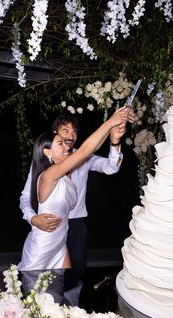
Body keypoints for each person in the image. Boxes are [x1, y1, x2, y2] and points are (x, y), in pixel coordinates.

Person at [18, 107, 134, 271]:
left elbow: (110, 167)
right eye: (65, 131)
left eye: (74, 132)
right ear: (55, 133)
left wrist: (114, 142)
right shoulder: (45, 167)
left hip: (75, 225)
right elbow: (26, 196)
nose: (70, 136)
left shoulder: (80, 155)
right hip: (49, 227)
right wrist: (33, 218)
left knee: (75, 276)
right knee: (41, 283)